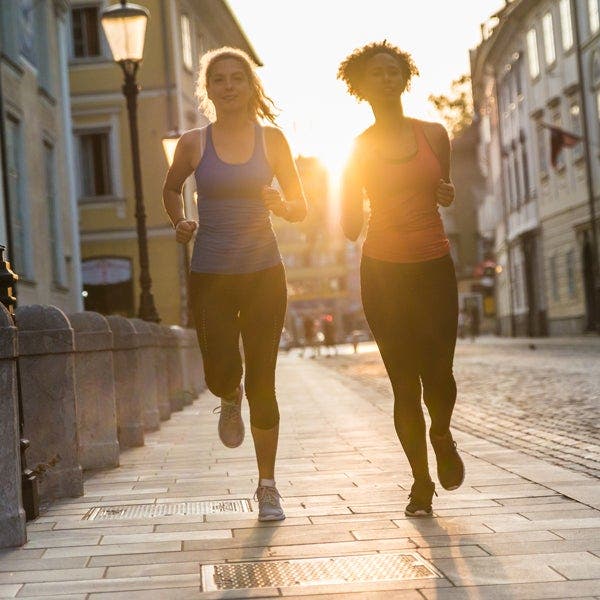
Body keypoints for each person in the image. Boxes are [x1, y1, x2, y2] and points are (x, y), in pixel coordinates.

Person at [162, 46, 307, 522]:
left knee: (264, 381)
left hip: (264, 272)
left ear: (250, 87)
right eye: (219, 79)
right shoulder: (193, 143)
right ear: (208, 89)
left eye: (236, 79)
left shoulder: (273, 141)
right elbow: (170, 187)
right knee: (219, 371)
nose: (228, 86)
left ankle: (268, 486)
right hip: (210, 274)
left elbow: (301, 207)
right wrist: (180, 219)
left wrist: (281, 204)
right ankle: (228, 394)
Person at [338, 41, 464, 517]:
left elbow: (442, 190)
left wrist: (446, 193)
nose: (387, 79)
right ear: (361, 86)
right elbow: (349, 221)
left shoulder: (435, 133)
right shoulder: (357, 147)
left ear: (406, 78)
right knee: (404, 386)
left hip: (434, 266)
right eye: (377, 74)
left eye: (394, 71)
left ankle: (442, 432)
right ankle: (419, 482)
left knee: (440, 376)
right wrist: (346, 210)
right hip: (383, 272)